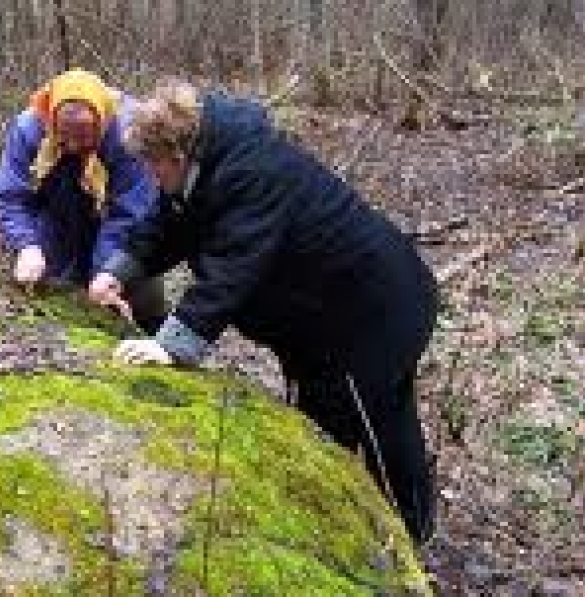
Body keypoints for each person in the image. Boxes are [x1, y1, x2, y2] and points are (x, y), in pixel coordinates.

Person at [88, 80, 439, 545]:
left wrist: (172, 344)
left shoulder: (250, 171)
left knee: (380, 418)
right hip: (323, 317)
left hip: (378, 306)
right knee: (321, 421)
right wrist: (120, 271)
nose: (149, 177)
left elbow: (232, 267)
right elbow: (167, 224)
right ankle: (343, 529)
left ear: (176, 153)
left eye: (152, 166)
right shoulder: (201, 167)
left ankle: (412, 535)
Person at [0, 69, 167, 331]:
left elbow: (131, 214)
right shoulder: (29, 129)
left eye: (83, 138)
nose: (72, 146)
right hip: (57, 221)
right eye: (64, 136)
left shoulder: (128, 134)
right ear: (50, 120)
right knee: (55, 297)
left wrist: (107, 274)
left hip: (118, 226)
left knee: (140, 296)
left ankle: (158, 344)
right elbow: (10, 197)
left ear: (102, 123)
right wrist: (27, 245)